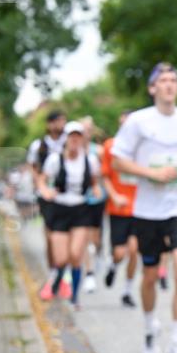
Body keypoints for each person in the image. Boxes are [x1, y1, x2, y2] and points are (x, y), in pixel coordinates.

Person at [111, 62, 177, 353]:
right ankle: (151, 327)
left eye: (173, 80)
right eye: (162, 81)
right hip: (147, 210)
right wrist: (151, 173)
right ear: (152, 88)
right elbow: (118, 161)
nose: (168, 85)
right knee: (150, 275)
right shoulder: (138, 122)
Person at [36, 121, 102, 311]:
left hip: (80, 209)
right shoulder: (55, 160)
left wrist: (97, 190)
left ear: (82, 139)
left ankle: (74, 295)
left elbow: (95, 181)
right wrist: (45, 191)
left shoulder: (90, 160)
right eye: (71, 136)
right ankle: (56, 281)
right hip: (60, 209)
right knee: (61, 258)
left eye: (78, 136)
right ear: (66, 138)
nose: (74, 140)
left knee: (75, 254)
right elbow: (42, 180)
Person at [27, 110, 70, 301]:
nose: (61, 125)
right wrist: (42, 188)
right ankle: (54, 272)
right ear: (49, 124)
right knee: (50, 236)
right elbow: (34, 170)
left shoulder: (70, 141)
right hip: (47, 196)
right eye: (58, 121)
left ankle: (64, 275)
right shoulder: (39, 146)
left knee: (66, 236)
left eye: (63, 121)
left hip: (67, 196)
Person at [101, 110, 139, 308]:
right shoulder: (110, 146)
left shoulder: (142, 147)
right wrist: (114, 196)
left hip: (139, 208)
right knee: (120, 252)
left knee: (134, 250)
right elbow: (105, 175)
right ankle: (113, 265)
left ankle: (127, 290)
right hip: (118, 208)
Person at [80, 116, 107, 294]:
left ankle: (97, 253)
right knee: (84, 236)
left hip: (97, 199)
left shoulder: (99, 151)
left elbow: (106, 174)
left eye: (88, 129)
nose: (86, 133)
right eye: (83, 129)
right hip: (80, 201)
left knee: (96, 238)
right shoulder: (72, 150)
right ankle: (89, 273)